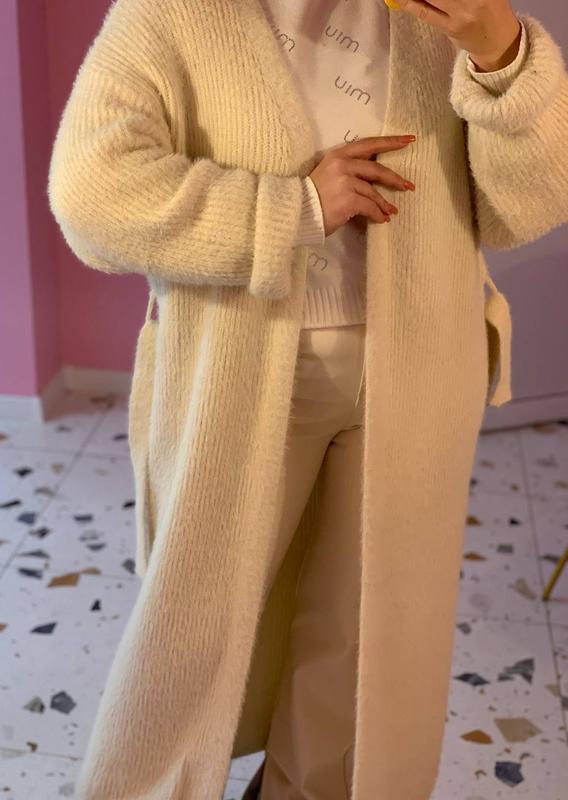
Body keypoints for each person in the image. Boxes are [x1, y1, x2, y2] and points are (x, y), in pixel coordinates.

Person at [47, 1, 568, 798]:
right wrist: (295, 208)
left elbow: (520, 211)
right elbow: (91, 192)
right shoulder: (175, 12)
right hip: (240, 374)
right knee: (189, 635)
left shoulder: (441, 17)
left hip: (420, 372)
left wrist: (499, 54)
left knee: (364, 638)